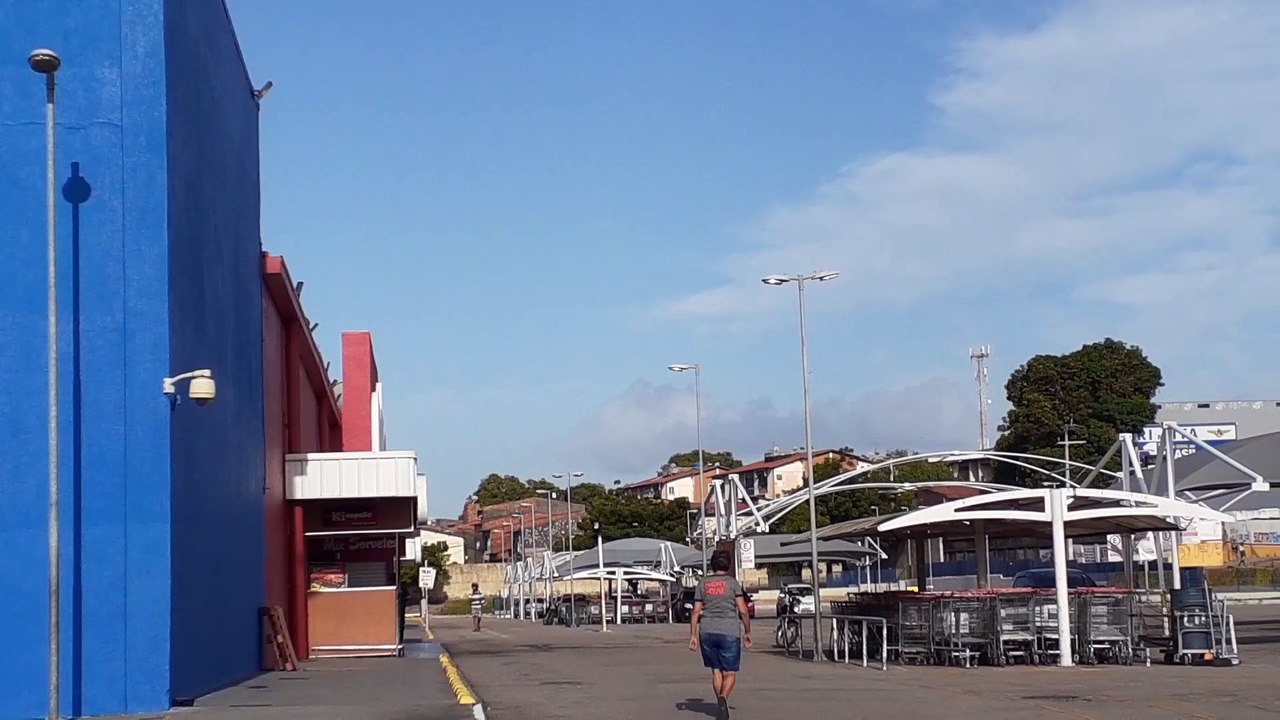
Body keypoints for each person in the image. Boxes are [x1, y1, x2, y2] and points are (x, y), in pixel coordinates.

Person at [689, 550, 751, 720]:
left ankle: (720, 703)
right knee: (729, 672)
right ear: (728, 564)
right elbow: (743, 611)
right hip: (729, 631)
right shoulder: (732, 583)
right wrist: (748, 631)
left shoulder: (703, 583)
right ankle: (723, 698)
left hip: (707, 631)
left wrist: (693, 635)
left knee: (716, 671)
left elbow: (695, 612)